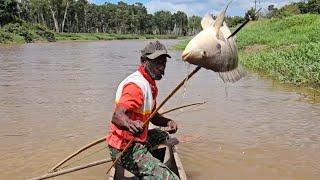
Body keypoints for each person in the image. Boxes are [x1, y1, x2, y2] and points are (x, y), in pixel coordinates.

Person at [106, 41, 180, 179]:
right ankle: (150, 168)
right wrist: (130, 124)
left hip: (139, 138)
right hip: (125, 148)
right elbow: (117, 116)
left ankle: (150, 166)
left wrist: (168, 122)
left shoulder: (150, 84)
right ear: (143, 61)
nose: (162, 68)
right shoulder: (136, 86)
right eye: (157, 62)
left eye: (164, 63)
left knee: (162, 134)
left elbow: (152, 116)